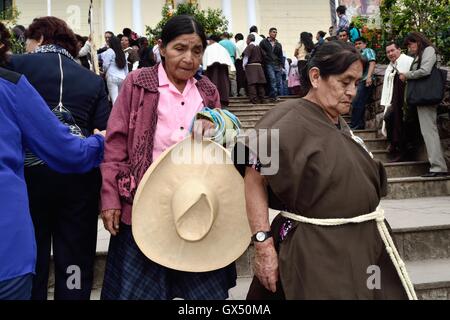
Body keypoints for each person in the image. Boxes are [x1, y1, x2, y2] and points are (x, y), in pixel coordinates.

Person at [232, 40, 414, 300]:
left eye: (356, 83)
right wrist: (263, 244)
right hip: (316, 249)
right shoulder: (286, 119)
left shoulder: (339, 123)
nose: (352, 91)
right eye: (344, 81)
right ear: (316, 76)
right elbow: (255, 178)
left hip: (364, 244)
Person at [100, 15, 238, 300]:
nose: (189, 58)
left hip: (195, 207)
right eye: (180, 48)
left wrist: (217, 128)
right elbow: (115, 144)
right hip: (143, 207)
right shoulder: (138, 84)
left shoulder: (207, 91)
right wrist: (110, 197)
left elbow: (224, 140)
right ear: (162, 48)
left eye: (197, 50)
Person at [7, 16, 110, 300]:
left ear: (38, 38)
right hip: (78, 180)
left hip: (27, 180)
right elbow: (103, 131)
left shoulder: (15, 68)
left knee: (33, 254)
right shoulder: (92, 80)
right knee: (74, 257)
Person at [399, 32, 449, 177]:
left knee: (429, 131)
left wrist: (407, 74)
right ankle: (437, 166)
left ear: (418, 41)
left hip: (427, 96)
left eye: (410, 44)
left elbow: (425, 71)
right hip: (423, 98)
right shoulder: (422, 52)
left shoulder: (428, 50)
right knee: (428, 131)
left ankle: (438, 167)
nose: (409, 48)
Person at [380, 41, 414, 162]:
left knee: (401, 124)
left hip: (405, 100)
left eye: (392, 50)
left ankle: (401, 150)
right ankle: (394, 144)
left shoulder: (408, 61)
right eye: (388, 52)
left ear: (399, 50)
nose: (390, 53)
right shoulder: (390, 66)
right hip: (394, 100)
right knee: (389, 118)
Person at [350, 37, 376, 130]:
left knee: (358, 101)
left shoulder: (368, 51)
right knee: (356, 102)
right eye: (356, 44)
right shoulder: (357, 55)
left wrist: (369, 77)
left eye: (359, 43)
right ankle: (358, 124)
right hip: (359, 81)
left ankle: (355, 125)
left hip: (366, 80)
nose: (357, 45)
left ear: (365, 44)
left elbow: (372, 63)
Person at [203, 34, 235, 107]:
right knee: (223, 85)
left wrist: (204, 68)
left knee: (213, 84)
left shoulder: (208, 49)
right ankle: (222, 100)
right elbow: (229, 62)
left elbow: (204, 63)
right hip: (222, 71)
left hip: (210, 71)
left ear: (211, 40)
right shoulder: (223, 49)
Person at [100, 35, 128, 104]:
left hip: (112, 77)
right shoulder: (122, 52)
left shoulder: (110, 51)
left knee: (114, 100)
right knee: (121, 100)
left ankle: (116, 114)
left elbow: (106, 65)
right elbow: (126, 67)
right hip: (122, 77)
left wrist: (103, 72)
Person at [259, 28, 284, 102]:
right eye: (273, 32)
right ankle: (273, 96)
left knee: (278, 81)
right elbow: (261, 51)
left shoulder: (278, 44)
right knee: (272, 79)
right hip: (269, 63)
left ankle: (273, 96)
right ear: (269, 33)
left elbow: (281, 55)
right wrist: (266, 58)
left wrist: (281, 64)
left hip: (277, 64)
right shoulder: (264, 42)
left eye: (276, 32)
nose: (275, 33)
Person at [242, 34, 266, 104]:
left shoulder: (249, 47)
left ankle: (254, 99)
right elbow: (264, 56)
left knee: (252, 84)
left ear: (249, 39)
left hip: (251, 67)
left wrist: (244, 66)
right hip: (259, 66)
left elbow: (245, 58)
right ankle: (262, 99)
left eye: (246, 39)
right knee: (260, 84)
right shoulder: (258, 47)